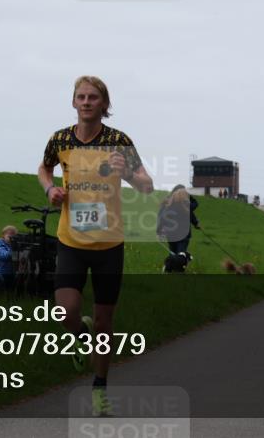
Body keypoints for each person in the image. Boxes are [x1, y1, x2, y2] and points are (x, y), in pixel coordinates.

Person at [37, 75, 154, 417]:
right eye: (81, 97)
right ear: (73, 103)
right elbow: (44, 168)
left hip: (109, 244)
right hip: (71, 239)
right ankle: (80, 332)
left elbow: (147, 186)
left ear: (104, 104)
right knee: (65, 310)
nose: (86, 102)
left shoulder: (119, 141)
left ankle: (100, 387)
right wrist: (50, 190)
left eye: (93, 97)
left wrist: (129, 174)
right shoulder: (59, 139)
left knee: (105, 321)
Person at [156, 185, 201, 256]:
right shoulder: (185, 205)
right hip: (184, 235)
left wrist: (159, 232)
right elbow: (195, 205)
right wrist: (196, 224)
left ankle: (172, 265)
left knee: (173, 254)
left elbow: (162, 219)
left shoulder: (168, 205)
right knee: (181, 255)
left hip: (171, 234)